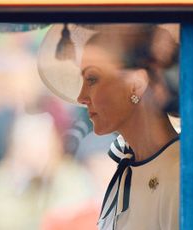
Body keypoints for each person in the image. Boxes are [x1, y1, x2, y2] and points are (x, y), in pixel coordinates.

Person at [38, 23, 180, 230]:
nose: (81, 97)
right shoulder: (127, 168)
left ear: (136, 84)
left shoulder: (180, 175)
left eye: (93, 79)